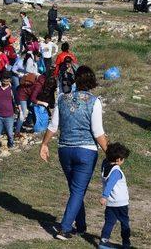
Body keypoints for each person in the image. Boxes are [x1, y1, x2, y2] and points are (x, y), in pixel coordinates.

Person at [40, 66, 108, 240]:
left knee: (75, 189)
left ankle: (81, 225)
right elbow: (97, 131)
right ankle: (64, 228)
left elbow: (53, 126)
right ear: (92, 81)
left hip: (65, 150)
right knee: (78, 190)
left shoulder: (62, 98)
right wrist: (110, 153)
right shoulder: (94, 101)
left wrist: (44, 144)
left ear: (76, 80)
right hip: (86, 151)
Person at [99, 143, 131, 249]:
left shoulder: (105, 166)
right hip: (121, 203)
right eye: (123, 159)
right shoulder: (116, 171)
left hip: (110, 203)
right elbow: (110, 184)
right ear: (118, 159)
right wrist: (104, 196)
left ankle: (103, 242)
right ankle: (126, 243)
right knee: (124, 222)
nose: (123, 161)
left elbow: (106, 160)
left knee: (109, 222)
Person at [0, 71, 16, 155]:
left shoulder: (12, 89)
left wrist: (18, 109)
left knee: (10, 134)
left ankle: (11, 147)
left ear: (10, 80)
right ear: (1, 80)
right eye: (4, 81)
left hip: (9, 116)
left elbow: (15, 101)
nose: (5, 83)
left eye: (7, 81)